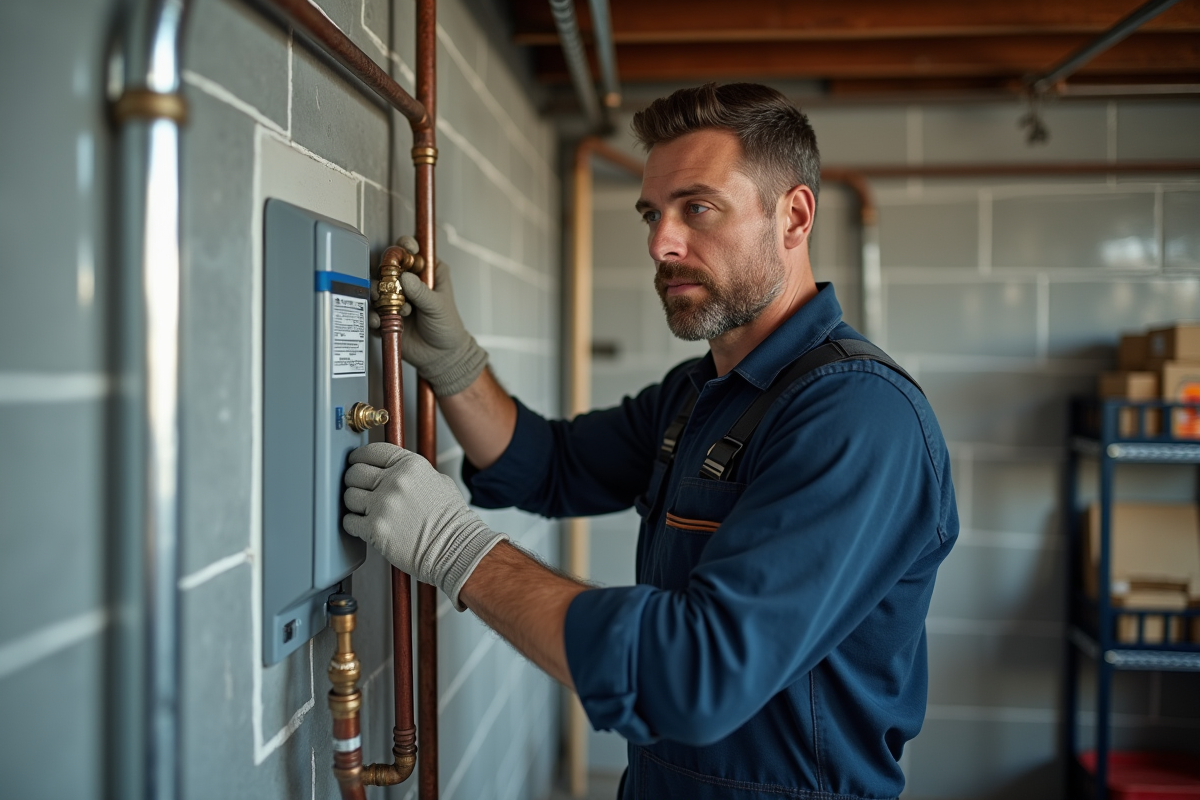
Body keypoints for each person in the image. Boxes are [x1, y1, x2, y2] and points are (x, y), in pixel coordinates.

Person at [342, 83, 958, 800]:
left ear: (793, 217)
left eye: (697, 207)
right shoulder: (698, 394)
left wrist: (456, 551)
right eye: (652, 213)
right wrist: (455, 367)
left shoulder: (858, 415)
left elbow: (696, 673)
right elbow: (551, 465)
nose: (660, 243)